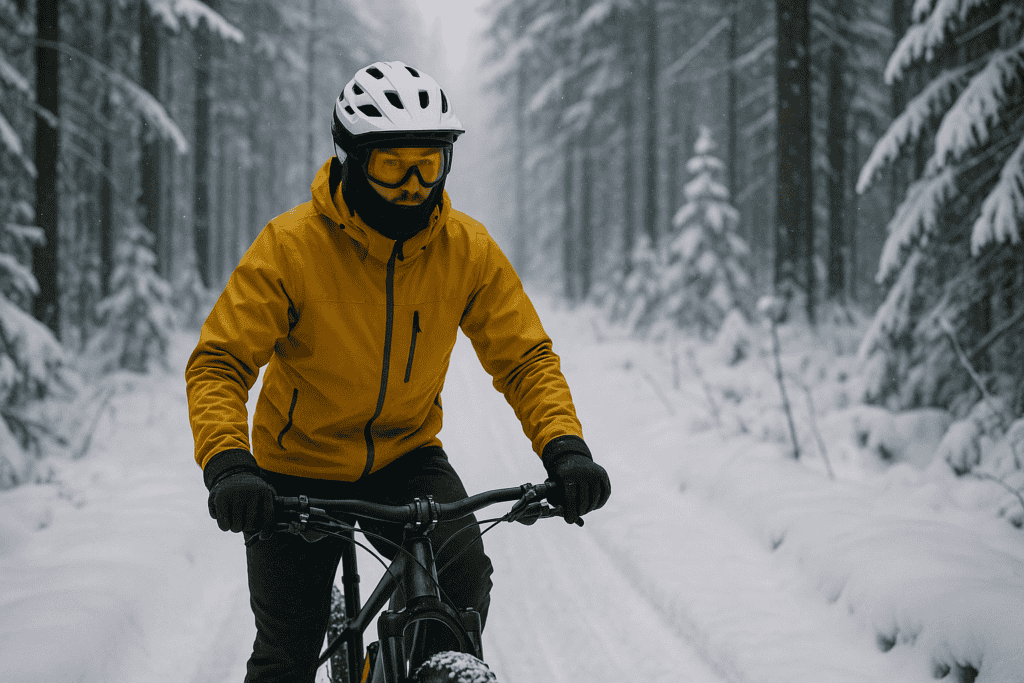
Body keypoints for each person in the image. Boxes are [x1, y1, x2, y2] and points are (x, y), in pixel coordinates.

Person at [185, 60, 611, 683]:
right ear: (354, 159)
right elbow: (220, 362)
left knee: (461, 582)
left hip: (406, 459)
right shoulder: (291, 247)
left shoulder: (465, 248)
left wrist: (565, 448)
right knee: (286, 656)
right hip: (293, 468)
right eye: (392, 165)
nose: (414, 184)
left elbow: (524, 357)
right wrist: (228, 463)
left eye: (429, 163)